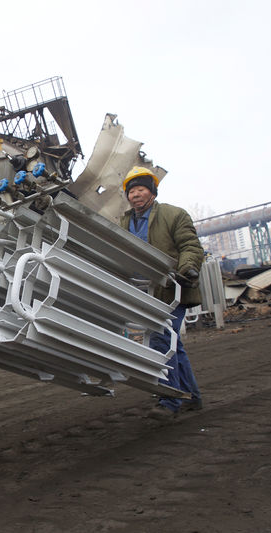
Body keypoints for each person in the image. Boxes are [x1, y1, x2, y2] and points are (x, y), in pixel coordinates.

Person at [119, 166, 204, 420]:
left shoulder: (173, 215)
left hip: (171, 290)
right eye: (131, 191)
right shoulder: (124, 223)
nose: (135, 195)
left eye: (141, 189)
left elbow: (190, 246)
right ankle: (192, 397)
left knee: (161, 340)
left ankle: (170, 400)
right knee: (173, 346)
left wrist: (187, 268)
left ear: (152, 192)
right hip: (144, 293)